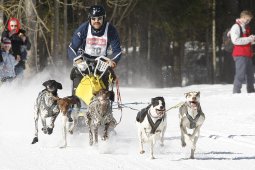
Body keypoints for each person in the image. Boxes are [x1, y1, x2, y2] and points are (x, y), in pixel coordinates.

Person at [68, 5, 122, 93]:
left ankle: (104, 103)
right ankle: (76, 103)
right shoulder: (83, 29)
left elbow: (117, 51)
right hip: (84, 59)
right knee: (77, 73)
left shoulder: (111, 30)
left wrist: (113, 61)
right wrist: (76, 59)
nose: (96, 21)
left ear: (103, 18)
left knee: (105, 81)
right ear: (90, 19)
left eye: (99, 18)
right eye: (93, 19)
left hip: (102, 61)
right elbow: (72, 48)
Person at [230, 10, 255, 93]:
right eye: (247, 19)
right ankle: (236, 92)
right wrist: (248, 39)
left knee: (250, 75)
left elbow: (246, 41)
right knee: (240, 74)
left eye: (250, 20)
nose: (248, 21)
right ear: (243, 17)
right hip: (240, 54)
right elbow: (235, 40)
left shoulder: (245, 27)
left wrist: (252, 40)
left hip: (247, 54)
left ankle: (251, 91)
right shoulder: (236, 27)